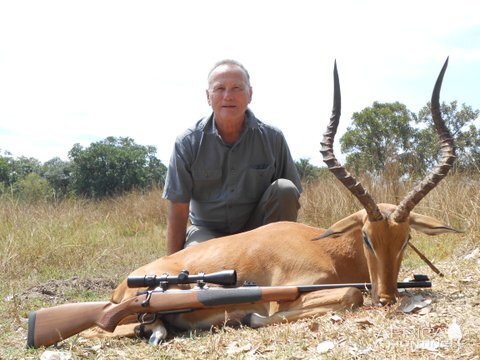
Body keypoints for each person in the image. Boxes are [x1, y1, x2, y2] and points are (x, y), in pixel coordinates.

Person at [163, 59, 303, 255]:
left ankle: (279, 259)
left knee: (285, 189)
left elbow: (288, 199)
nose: (228, 96)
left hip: (256, 230)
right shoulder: (187, 142)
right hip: (207, 232)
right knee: (198, 264)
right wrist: (171, 268)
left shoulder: (273, 138)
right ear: (208, 96)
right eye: (220, 88)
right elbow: (178, 210)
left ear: (250, 94)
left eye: (237, 87)